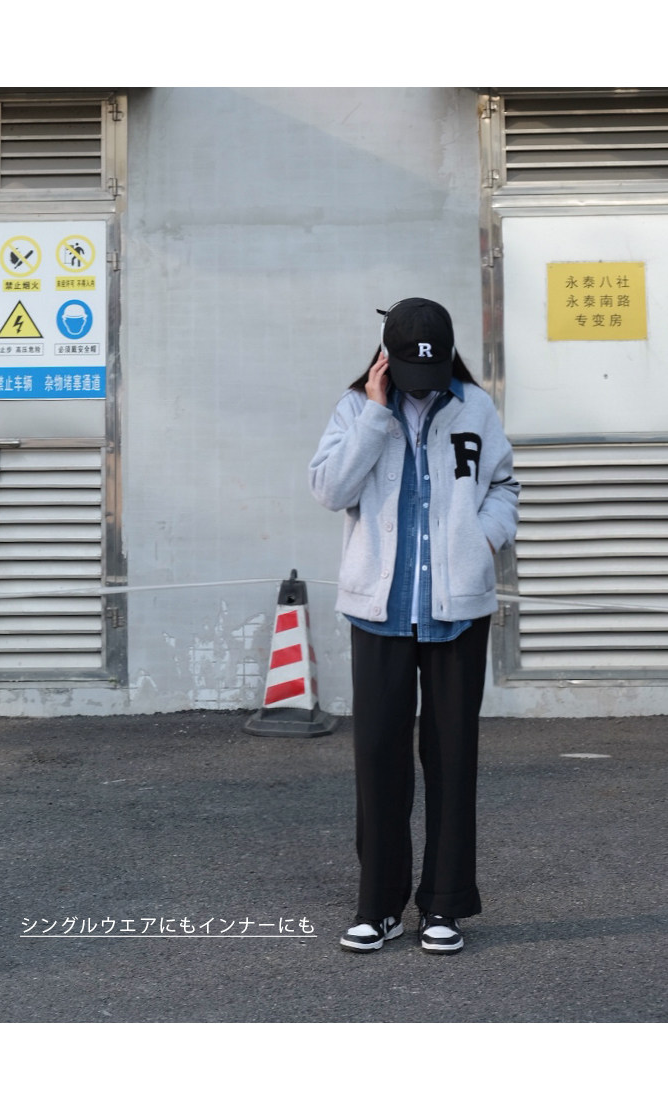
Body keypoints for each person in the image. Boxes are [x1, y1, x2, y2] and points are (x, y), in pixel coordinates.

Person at [308, 297, 519, 955]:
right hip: (380, 612)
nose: (420, 384)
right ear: (385, 359)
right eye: (407, 371)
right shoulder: (356, 408)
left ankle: (445, 905)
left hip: (457, 612)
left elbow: (504, 485)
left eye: (431, 370)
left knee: (452, 758)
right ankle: (379, 905)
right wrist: (376, 415)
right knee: (379, 757)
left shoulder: (475, 408)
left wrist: (481, 541)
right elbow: (329, 490)